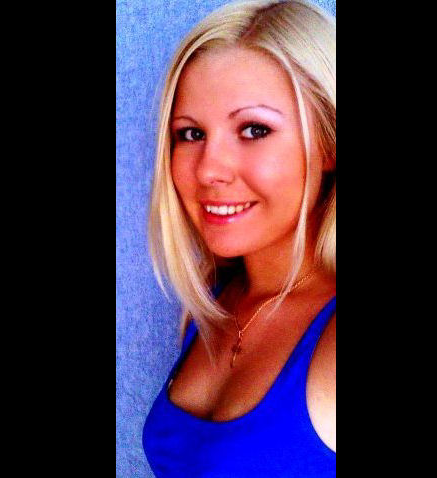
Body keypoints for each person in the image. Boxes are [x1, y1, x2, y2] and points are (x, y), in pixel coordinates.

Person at [143, 0, 336, 476]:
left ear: (329, 142)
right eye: (190, 134)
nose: (208, 170)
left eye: (254, 129)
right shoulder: (211, 301)